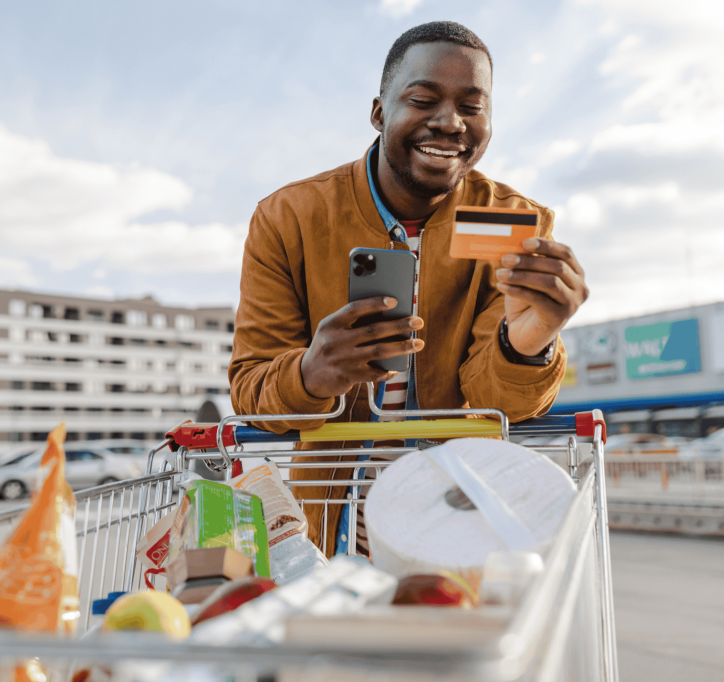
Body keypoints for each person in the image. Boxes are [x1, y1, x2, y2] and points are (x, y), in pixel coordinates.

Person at [229, 21, 589, 556]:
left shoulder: (508, 221)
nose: (450, 123)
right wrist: (310, 374)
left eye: (473, 106)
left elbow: (497, 402)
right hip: (329, 520)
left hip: (461, 509)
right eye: (423, 100)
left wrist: (528, 342)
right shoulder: (291, 218)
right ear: (379, 112)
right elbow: (251, 389)